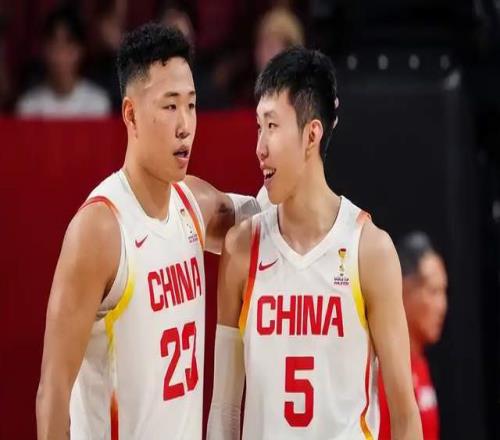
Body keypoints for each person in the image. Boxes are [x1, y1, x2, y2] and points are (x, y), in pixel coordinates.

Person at [36, 23, 260, 440]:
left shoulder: (194, 204)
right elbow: (52, 391)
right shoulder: (100, 229)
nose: (185, 125)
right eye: (170, 106)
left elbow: (272, 220)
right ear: (131, 114)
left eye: (191, 105)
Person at [207, 47, 422, 439]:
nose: (260, 147)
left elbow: (406, 417)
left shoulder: (368, 250)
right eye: (258, 127)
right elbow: (224, 409)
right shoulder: (241, 249)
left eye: (272, 126)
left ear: (311, 134)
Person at [379, 232, 447, 439]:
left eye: (444, 292)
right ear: (403, 289)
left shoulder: (419, 364)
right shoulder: (383, 373)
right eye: (433, 292)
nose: (442, 306)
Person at [16, 5, 110, 118]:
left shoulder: (97, 104)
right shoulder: (29, 106)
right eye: (54, 44)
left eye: (68, 44)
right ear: (44, 49)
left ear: (81, 50)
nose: (60, 54)